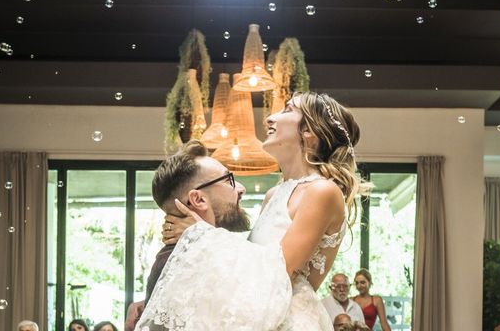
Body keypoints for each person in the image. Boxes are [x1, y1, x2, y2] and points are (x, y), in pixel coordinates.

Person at [148, 91, 363, 330]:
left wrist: (200, 234)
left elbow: (279, 272)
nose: (270, 118)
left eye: (287, 110)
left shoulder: (322, 191)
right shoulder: (274, 194)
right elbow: (250, 269)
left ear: (309, 133)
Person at [124, 139, 249, 331]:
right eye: (228, 180)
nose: (240, 188)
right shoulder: (184, 262)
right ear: (198, 199)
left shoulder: (205, 253)